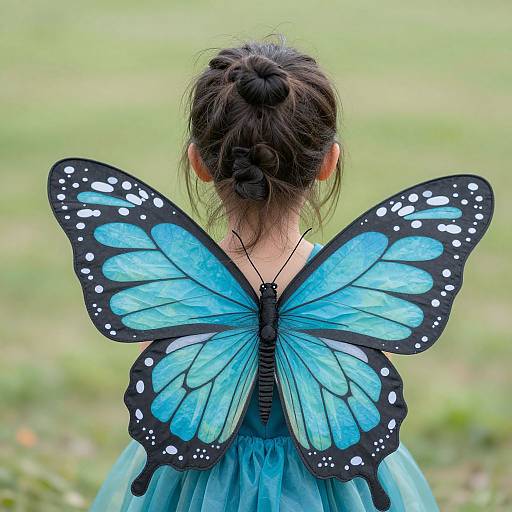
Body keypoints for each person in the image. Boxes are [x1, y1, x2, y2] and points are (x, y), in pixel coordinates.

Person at [90, 37, 439, 511]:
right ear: (328, 163)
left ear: (198, 164)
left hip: (193, 473)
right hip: (336, 468)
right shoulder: (352, 280)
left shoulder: (183, 279)